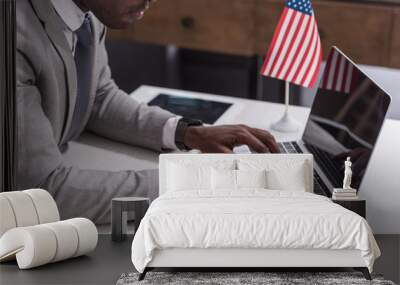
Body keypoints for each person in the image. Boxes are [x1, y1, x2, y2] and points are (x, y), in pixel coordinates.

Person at [16, 0, 279, 223]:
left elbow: (98, 95)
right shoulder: (14, 35)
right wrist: (196, 180)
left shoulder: (88, 11)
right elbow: (42, 192)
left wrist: (188, 133)